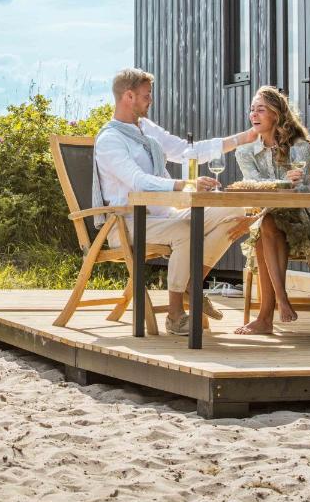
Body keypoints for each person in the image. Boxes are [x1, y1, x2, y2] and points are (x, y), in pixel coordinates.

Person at [94, 68, 257, 336]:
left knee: (233, 210)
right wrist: (182, 185)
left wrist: (244, 138)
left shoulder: (145, 128)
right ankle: (175, 314)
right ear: (128, 96)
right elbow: (137, 180)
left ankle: (192, 285)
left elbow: (185, 151)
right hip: (126, 223)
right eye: (146, 96)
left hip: (163, 215)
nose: (151, 100)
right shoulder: (111, 140)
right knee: (185, 231)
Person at [234, 86, 310, 335]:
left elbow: (304, 191)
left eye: (261, 109)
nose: (254, 114)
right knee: (267, 223)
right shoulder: (244, 150)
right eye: (252, 109)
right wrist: (282, 182)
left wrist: (293, 183)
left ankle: (266, 316)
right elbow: (253, 187)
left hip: (303, 215)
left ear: (276, 114)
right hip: (268, 215)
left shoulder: (298, 145)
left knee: (266, 226)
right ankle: (281, 299)